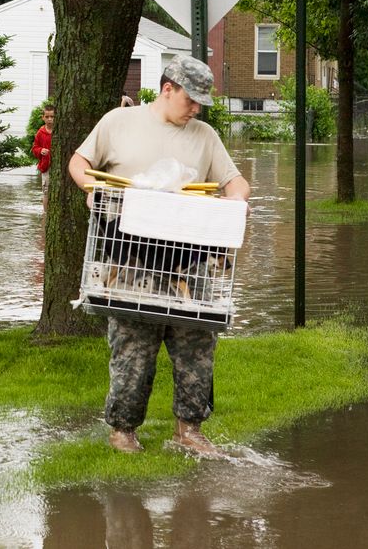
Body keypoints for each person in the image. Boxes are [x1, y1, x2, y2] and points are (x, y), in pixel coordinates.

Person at [67, 56, 250, 458]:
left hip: (190, 261)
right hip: (129, 257)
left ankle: (189, 429)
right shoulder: (119, 122)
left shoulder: (205, 136)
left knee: (197, 348)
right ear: (168, 89)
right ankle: (123, 430)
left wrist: (236, 198)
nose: (197, 108)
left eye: (202, 101)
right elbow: (78, 162)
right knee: (133, 349)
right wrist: (91, 187)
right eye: (191, 99)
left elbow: (235, 180)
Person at [31, 105, 55, 209]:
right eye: (47, 116)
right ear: (43, 117)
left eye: (52, 116)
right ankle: (45, 214)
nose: (50, 119)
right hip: (46, 166)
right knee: (46, 192)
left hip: (59, 165)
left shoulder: (60, 131)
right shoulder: (40, 133)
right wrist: (41, 151)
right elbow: (34, 148)